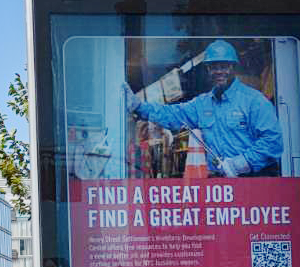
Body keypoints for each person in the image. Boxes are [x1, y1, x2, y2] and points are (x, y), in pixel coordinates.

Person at [121, 40, 284, 177]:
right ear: (207, 69)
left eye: (224, 66)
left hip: (254, 183)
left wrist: (241, 163)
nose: (219, 71)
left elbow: (273, 142)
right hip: (219, 186)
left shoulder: (254, 101)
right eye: (213, 67)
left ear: (233, 68)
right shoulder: (201, 104)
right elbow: (171, 114)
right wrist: (139, 106)